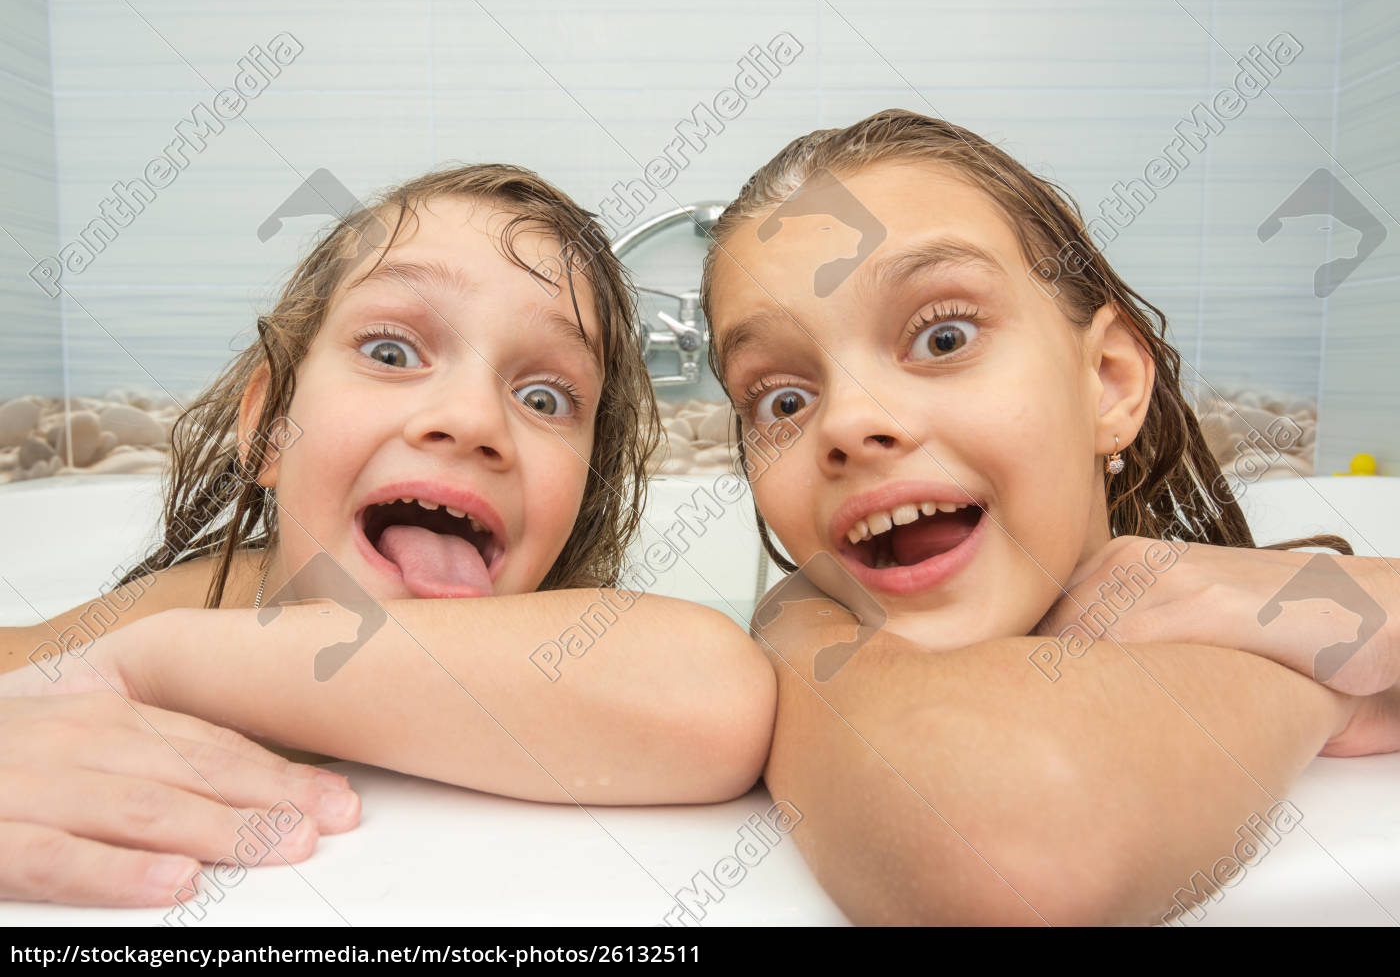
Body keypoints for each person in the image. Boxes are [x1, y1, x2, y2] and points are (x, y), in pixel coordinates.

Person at [0, 163, 774, 907]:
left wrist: (161, 663)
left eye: (543, 396)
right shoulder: (209, 596)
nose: (473, 420)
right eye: (392, 352)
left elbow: (714, 692)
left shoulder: (574, 641)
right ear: (270, 428)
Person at [699, 109, 1400, 925]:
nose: (848, 422)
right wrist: (1333, 683)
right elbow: (1011, 851)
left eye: (943, 336)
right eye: (782, 399)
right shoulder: (806, 624)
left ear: (1106, 379)